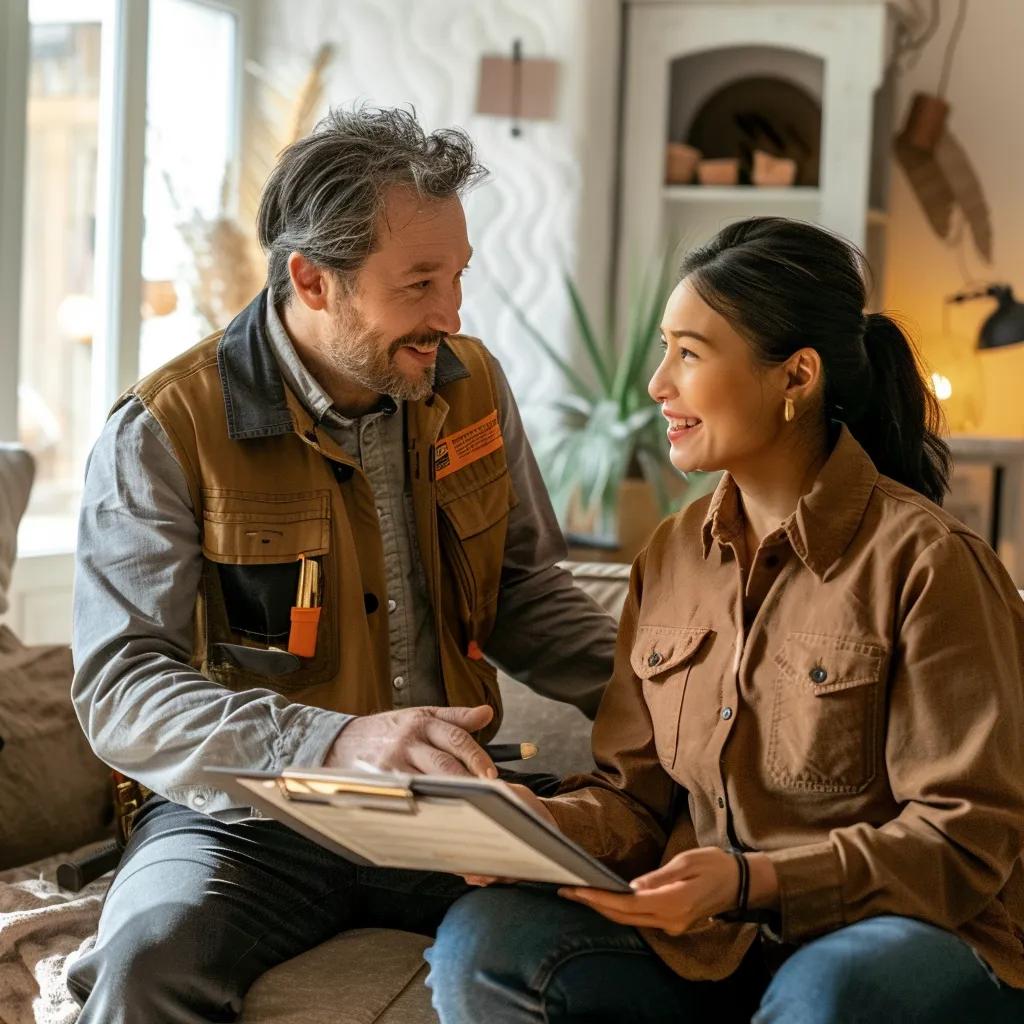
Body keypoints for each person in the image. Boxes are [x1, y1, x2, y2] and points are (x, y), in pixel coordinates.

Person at [67, 105, 618, 1022]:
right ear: (313, 280)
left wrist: (681, 707)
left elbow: (524, 592)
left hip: (450, 809)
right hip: (242, 823)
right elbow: (121, 689)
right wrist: (333, 742)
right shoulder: (164, 428)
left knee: (634, 934)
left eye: (457, 277)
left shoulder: (471, 382)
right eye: (418, 284)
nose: (450, 313)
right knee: (148, 966)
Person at [426, 217, 1024, 1023]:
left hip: (902, 941)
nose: (656, 384)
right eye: (665, 348)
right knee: (485, 940)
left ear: (796, 376)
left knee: (830, 993)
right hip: (712, 942)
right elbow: (637, 801)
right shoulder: (671, 557)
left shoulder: (930, 562)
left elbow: (967, 837)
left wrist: (755, 882)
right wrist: (536, 825)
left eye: (690, 353)